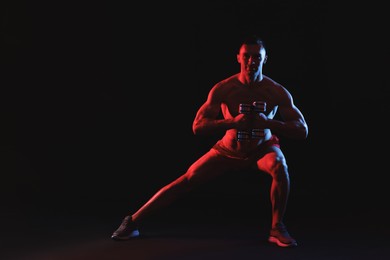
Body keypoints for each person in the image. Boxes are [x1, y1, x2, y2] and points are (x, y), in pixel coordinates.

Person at [111, 34, 308, 247]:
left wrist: (269, 123)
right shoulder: (224, 89)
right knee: (187, 179)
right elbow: (198, 126)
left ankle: (277, 228)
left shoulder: (276, 92)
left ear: (265, 59)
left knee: (280, 166)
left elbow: (302, 130)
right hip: (228, 150)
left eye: (257, 57)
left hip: (262, 149)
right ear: (238, 58)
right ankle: (132, 221)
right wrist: (232, 123)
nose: (252, 62)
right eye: (247, 56)